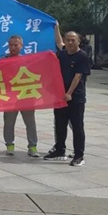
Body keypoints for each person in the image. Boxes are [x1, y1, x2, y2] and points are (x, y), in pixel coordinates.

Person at [44, 26, 90, 166]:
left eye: (73, 40)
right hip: (60, 97)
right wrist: (56, 27)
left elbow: (78, 77)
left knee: (77, 126)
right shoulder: (63, 54)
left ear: (78, 41)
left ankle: (79, 155)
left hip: (75, 97)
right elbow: (59, 42)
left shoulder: (82, 56)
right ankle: (59, 150)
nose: (70, 42)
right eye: (68, 40)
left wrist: (69, 93)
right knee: (60, 125)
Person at [2, 35, 39, 157]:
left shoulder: (28, 60)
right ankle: (9, 145)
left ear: (21, 46)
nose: (13, 47)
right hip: (10, 97)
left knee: (30, 123)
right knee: (9, 123)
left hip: (26, 96)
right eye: (11, 45)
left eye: (16, 45)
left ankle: (32, 146)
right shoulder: (2, 60)